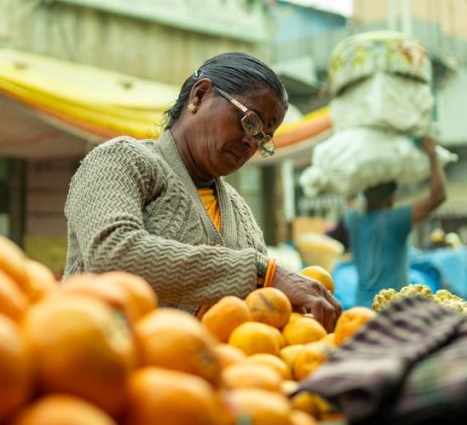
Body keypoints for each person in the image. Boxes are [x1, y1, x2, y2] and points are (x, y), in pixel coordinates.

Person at [64, 52, 341, 330]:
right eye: (250, 121)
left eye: (263, 137)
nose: (251, 142)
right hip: (99, 358)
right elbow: (111, 255)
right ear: (200, 95)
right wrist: (262, 273)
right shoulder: (121, 161)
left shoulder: (240, 213)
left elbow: (256, 308)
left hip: (202, 369)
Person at [342, 136, 446, 309]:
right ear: (393, 197)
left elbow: (349, 191)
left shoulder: (353, 219)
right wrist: (432, 154)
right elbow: (438, 196)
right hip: (391, 309)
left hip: (360, 308)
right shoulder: (395, 220)